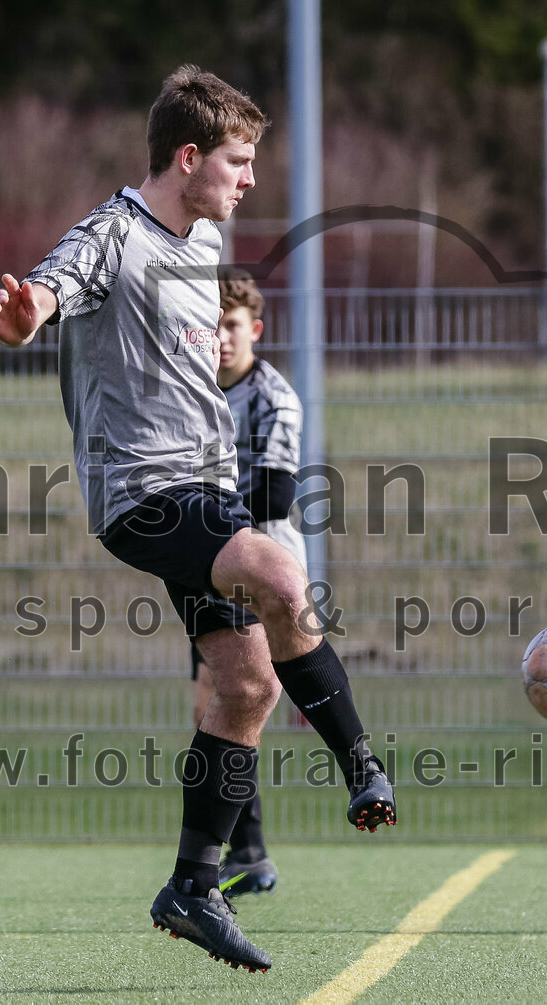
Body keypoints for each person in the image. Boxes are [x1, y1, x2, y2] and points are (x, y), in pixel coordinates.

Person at [0, 64, 395, 975]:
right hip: (141, 494)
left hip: (207, 489)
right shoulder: (111, 233)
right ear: (188, 155)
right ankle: (363, 762)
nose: (250, 180)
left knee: (247, 688)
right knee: (286, 578)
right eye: (239, 161)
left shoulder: (205, 235)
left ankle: (193, 887)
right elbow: (50, 287)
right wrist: (25, 316)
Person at [192, 267, 308, 899]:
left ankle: (250, 850)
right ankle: (249, 850)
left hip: (260, 564)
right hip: (207, 559)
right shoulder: (195, 389)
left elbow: (276, 493)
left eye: (232, 325)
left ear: (255, 329)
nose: (223, 337)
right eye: (212, 326)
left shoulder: (273, 397)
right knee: (211, 705)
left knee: (240, 697)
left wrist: (197, 502)